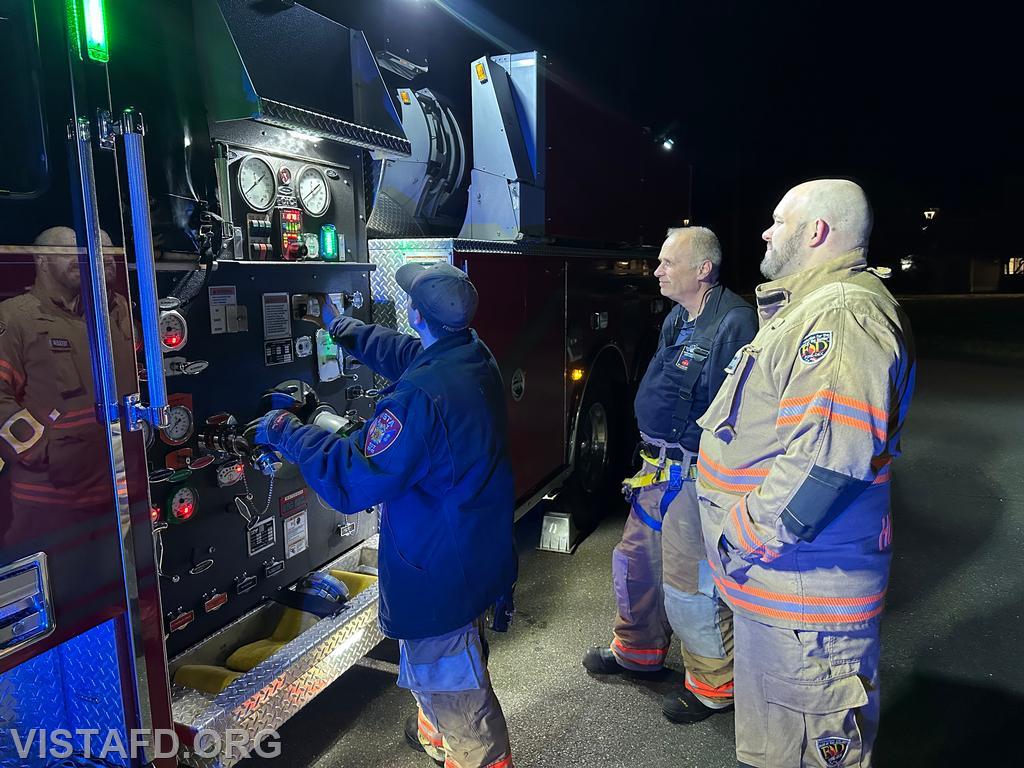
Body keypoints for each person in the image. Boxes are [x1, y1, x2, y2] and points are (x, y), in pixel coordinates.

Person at [253, 262, 516, 768]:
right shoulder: (471, 354)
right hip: (475, 549)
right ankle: (441, 738)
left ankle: (477, 755)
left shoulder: (417, 398)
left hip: (439, 569)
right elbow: (405, 355)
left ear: (415, 312)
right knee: (450, 664)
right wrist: (338, 327)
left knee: (455, 689)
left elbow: (354, 479)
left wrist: (287, 430)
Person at [696, 179, 916, 767]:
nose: (766, 232)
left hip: (804, 601)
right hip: (787, 591)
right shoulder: (814, 310)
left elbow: (828, 462)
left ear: (817, 231)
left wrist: (740, 538)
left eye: (777, 221)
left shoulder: (841, 317)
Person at [581, 226, 758, 723]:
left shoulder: (735, 324)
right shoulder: (682, 315)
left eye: (666, 263)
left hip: (696, 478)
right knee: (634, 564)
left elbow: (740, 417)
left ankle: (713, 685)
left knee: (691, 587)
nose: (656, 270)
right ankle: (637, 652)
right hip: (657, 470)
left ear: (702, 269)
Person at [0, 226, 132, 524]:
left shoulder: (117, 309)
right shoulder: (15, 317)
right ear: (41, 260)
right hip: (51, 503)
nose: (87, 257)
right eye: (68, 251)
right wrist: (41, 450)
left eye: (105, 252)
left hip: (122, 491)